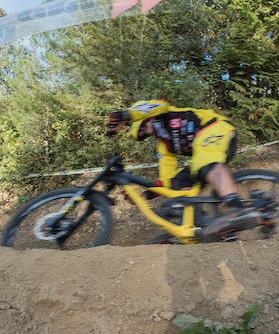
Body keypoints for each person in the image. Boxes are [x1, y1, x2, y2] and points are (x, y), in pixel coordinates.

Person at [107, 100, 262, 239]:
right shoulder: (165, 147)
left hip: (217, 128)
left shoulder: (163, 113)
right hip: (206, 150)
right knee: (178, 180)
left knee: (203, 163)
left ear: (145, 117)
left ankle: (237, 208)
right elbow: (166, 182)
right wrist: (144, 195)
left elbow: (157, 106)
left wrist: (125, 116)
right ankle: (204, 225)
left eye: (143, 128)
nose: (147, 132)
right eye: (143, 135)